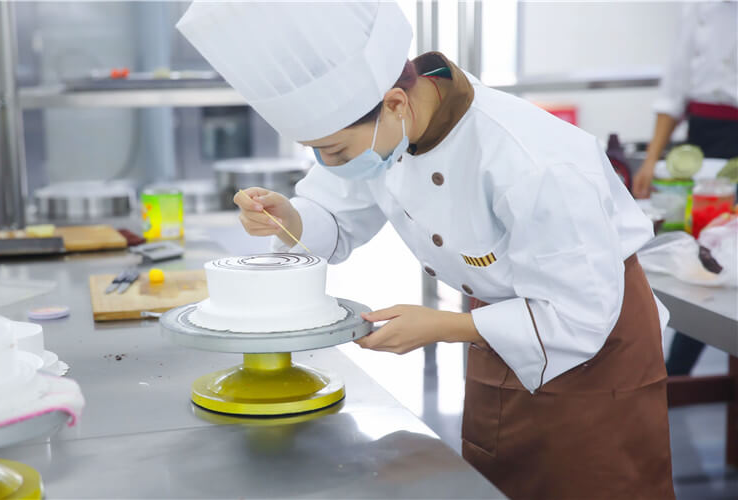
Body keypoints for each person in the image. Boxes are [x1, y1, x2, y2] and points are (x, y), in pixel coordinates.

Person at [178, 2, 675, 498]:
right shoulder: (386, 130)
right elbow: (334, 214)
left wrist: (441, 326)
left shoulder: (530, 161)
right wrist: (289, 219)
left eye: (335, 152)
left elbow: (579, 315)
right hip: (499, 331)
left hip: (596, 350)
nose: (330, 165)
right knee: (497, 484)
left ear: (396, 103)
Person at [632, 1, 738, 376]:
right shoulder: (698, 5)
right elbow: (674, 88)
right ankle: (674, 374)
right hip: (706, 136)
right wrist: (651, 159)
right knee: (705, 252)